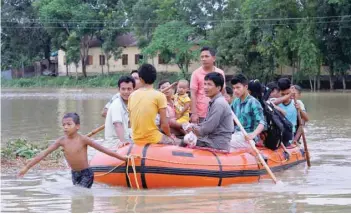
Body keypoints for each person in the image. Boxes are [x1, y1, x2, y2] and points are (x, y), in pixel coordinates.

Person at [18, 113, 126, 188]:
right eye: (63, 124)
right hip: (74, 173)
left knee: (81, 193)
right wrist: (26, 167)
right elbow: (44, 154)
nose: (65, 127)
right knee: (76, 202)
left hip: (86, 174)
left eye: (69, 124)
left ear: (77, 126)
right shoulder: (61, 141)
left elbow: (105, 150)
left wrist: (123, 158)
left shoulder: (83, 139)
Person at [128, 64, 179, 145]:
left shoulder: (131, 96)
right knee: (178, 142)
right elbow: (164, 125)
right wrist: (170, 136)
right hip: (152, 137)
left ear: (140, 79)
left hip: (135, 137)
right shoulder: (159, 96)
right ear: (155, 78)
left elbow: (130, 122)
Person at [185, 72, 234, 151]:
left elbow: (208, 128)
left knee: (185, 142)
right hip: (211, 139)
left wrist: (193, 128)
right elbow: (206, 124)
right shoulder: (214, 102)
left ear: (218, 88)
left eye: (209, 84)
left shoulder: (219, 103)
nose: (205, 87)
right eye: (205, 84)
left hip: (217, 143)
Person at [190, 47, 226, 124]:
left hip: (217, 111)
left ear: (213, 58)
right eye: (202, 57)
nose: (204, 59)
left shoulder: (220, 73)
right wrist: (194, 113)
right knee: (201, 134)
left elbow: (223, 93)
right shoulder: (196, 73)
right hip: (201, 113)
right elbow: (193, 94)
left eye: (206, 56)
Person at [230, 74, 266, 149]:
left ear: (246, 87)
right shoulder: (236, 101)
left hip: (249, 138)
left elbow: (262, 123)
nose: (235, 90)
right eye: (233, 88)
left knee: (227, 142)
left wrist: (253, 134)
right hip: (236, 134)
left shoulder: (253, 102)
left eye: (238, 87)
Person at [104, 76, 135, 147]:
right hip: (115, 142)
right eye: (123, 89)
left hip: (126, 139)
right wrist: (123, 142)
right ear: (119, 89)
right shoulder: (116, 104)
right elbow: (118, 125)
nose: (126, 92)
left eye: (129, 89)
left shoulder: (131, 103)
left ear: (133, 89)